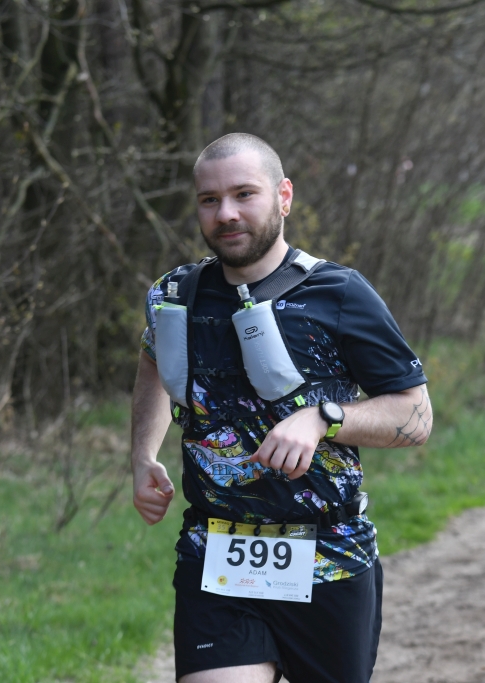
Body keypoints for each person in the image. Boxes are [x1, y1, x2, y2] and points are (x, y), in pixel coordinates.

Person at [131, 133, 431, 683]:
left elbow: (415, 417)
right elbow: (154, 361)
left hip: (327, 555)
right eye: (210, 200)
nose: (226, 213)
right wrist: (143, 456)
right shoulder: (174, 294)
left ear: (283, 196)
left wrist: (325, 418)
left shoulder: (339, 293)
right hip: (216, 553)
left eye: (244, 194)